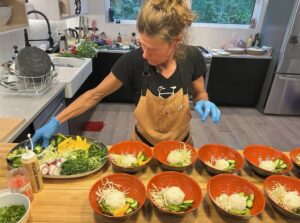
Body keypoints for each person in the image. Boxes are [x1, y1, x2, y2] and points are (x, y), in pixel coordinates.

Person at [32, 0, 221, 147]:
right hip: (142, 147)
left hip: (181, 149)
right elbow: (95, 95)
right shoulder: (132, 61)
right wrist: (56, 121)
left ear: (176, 41)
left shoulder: (193, 57)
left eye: (153, 49)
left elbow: (199, 92)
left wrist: (203, 100)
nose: (145, 54)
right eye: (142, 45)